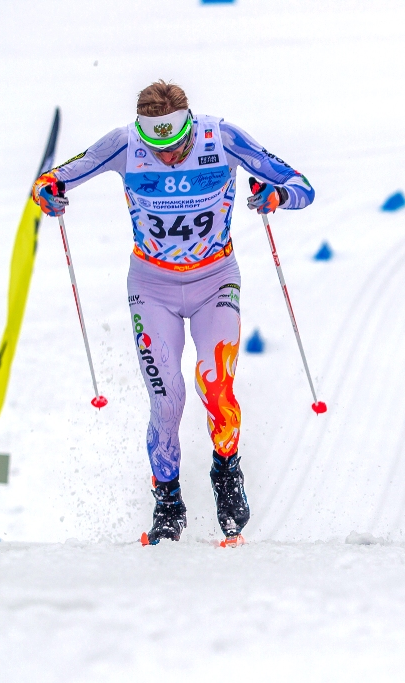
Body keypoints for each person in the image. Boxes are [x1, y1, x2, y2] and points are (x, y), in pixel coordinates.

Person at [31, 81, 315, 545]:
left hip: (214, 279)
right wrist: (47, 192)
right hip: (152, 286)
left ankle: (226, 474)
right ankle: (167, 500)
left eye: (175, 146)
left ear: (189, 125)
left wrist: (277, 197)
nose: (166, 157)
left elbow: (302, 185)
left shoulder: (222, 137)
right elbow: (56, 178)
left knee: (216, 384)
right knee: (168, 399)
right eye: (155, 148)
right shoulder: (125, 142)